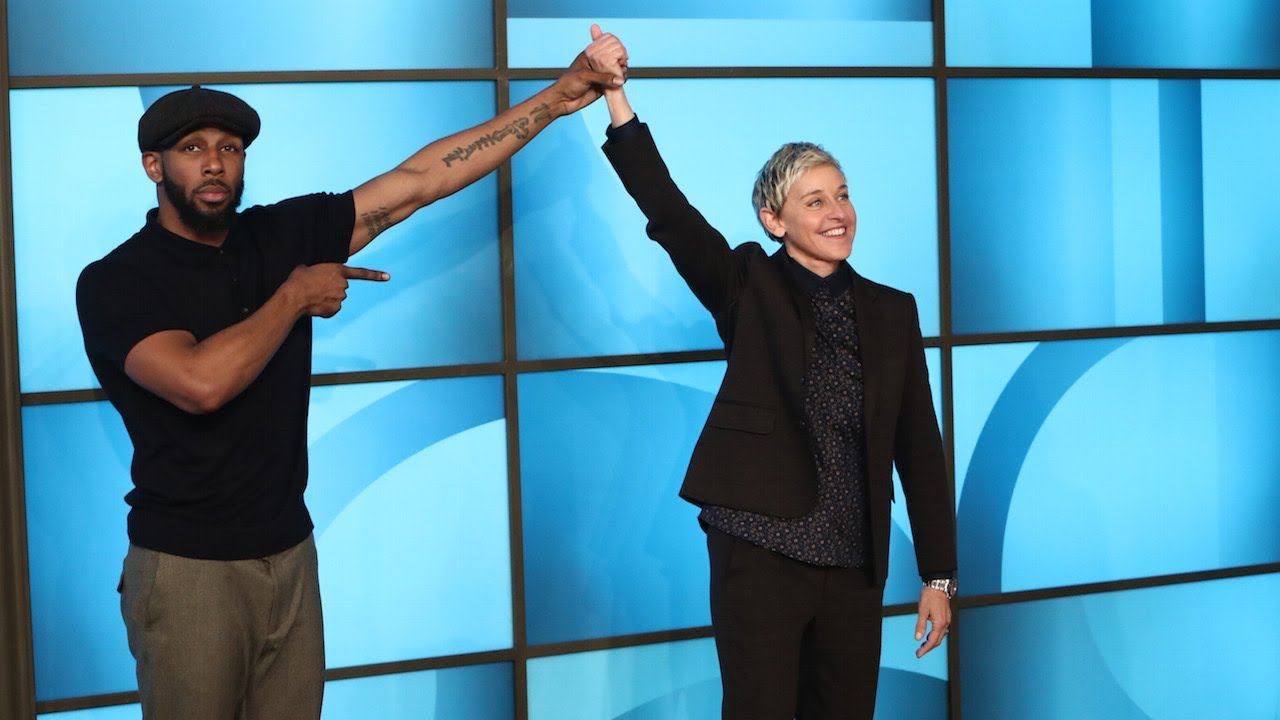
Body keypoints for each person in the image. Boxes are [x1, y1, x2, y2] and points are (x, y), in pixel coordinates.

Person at [75, 40, 627, 720]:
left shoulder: (281, 234)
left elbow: (420, 180)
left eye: (230, 147)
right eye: (192, 149)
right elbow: (199, 384)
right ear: (153, 165)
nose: (215, 162)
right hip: (189, 568)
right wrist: (293, 297)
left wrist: (558, 98)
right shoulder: (117, 281)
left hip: (290, 553)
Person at [585, 27, 957, 719]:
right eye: (815, 201)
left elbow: (919, 448)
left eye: (842, 195)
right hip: (759, 550)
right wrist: (617, 100)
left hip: (853, 560)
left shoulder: (892, 311)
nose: (837, 213)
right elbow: (670, 213)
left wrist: (939, 575)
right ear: (773, 218)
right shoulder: (747, 284)